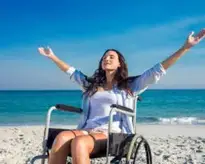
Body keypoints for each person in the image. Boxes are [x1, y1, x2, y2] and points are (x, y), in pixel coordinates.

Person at [38, 29, 205, 164]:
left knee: (79, 143)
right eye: (104, 57)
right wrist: (52, 57)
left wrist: (185, 48)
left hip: (114, 133)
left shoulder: (130, 86)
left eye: (111, 57)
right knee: (60, 138)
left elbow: (157, 71)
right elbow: (71, 72)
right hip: (86, 130)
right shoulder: (91, 86)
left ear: (119, 64)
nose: (107, 59)